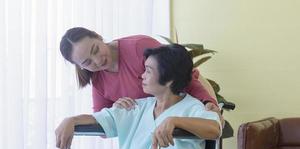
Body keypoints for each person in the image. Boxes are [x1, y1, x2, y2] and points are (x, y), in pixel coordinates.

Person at [55, 44, 221, 149]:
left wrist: (176, 121)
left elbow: (214, 129)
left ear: (169, 79)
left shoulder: (192, 107)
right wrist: (71, 120)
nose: (142, 75)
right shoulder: (137, 107)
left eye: (148, 71)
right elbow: (102, 118)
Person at [59, 27, 220, 113]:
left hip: (191, 102)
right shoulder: (98, 80)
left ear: (98, 37)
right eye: (88, 62)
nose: (98, 61)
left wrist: (208, 102)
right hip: (158, 125)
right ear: (80, 67)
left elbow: (181, 75)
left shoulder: (139, 47)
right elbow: (103, 123)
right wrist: (116, 111)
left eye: (95, 50)